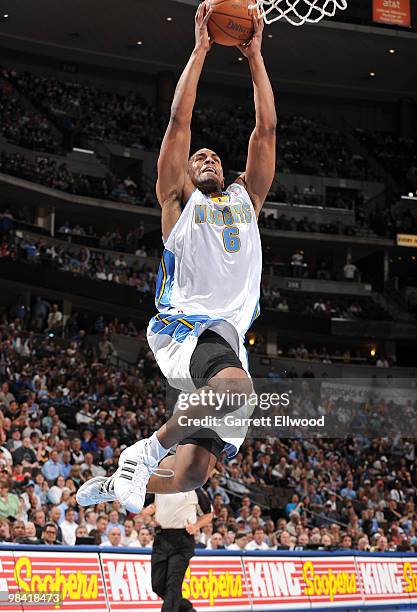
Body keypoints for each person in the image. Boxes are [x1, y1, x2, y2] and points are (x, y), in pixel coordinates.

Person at [77, 1, 276, 513]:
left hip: (227, 335)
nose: (206, 156)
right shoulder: (178, 206)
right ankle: (145, 451)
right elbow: (179, 118)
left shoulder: (245, 201)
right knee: (236, 391)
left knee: (190, 476)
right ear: (184, 175)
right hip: (185, 325)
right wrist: (202, 48)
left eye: (214, 155)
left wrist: (255, 57)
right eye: (197, 158)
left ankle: (120, 482)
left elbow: (266, 132)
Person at [149, 488, 212, 612]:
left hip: (183, 538)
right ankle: (186, 607)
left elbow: (209, 514)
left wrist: (196, 526)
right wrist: (146, 514)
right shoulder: (159, 487)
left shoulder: (194, 489)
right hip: (161, 537)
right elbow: (143, 510)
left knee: (173, 584)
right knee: (157, 585)